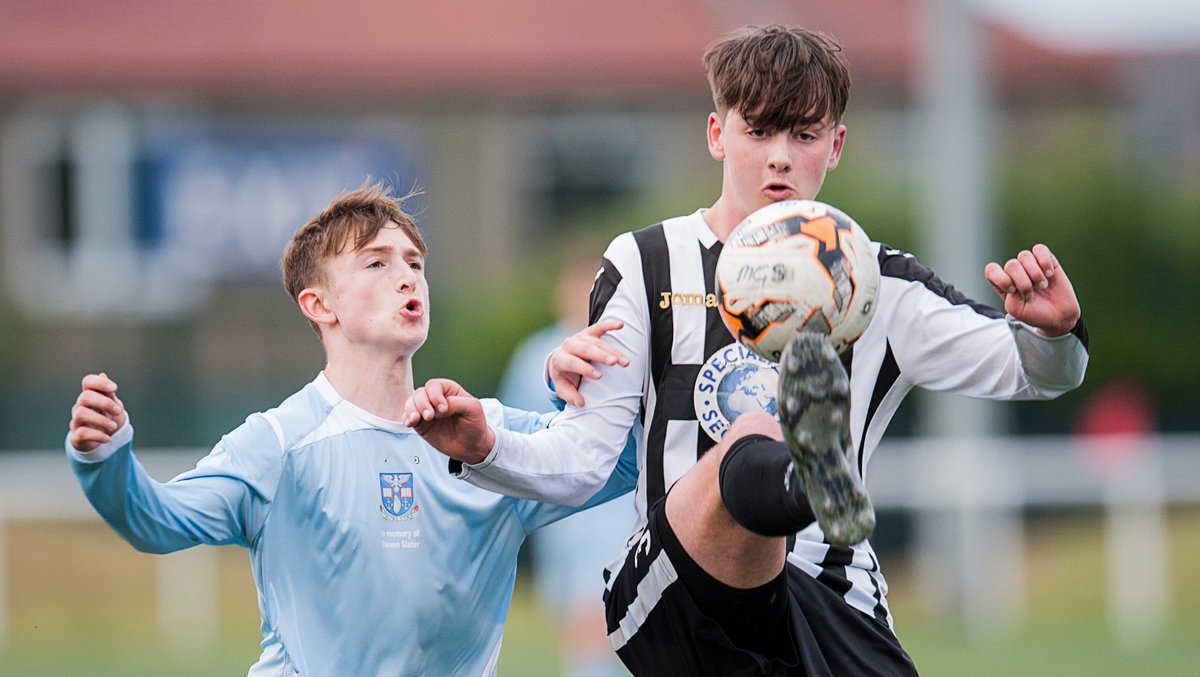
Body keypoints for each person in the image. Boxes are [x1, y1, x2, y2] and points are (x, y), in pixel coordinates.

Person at [405, 25, 1088, 676]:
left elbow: (1037, 372)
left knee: (765, 451)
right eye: (758, 130)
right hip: (675, 586)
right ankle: (804, 477)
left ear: (838, 144)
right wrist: (484, 445)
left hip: (831, 601)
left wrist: (1056, 331)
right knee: (753, 431)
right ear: (716, 133)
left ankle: (806, 480)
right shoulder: (646, 263)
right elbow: (584, 459)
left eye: (804, 133)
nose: (780, 154)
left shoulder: (883, 283)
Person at [64, 181, 636, 676]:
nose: (407, 276)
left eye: (414, 262)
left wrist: (579, 390)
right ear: (319, 305)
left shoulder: (488, 436)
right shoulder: (280, 443)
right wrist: (104, 459)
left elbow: (628, 465)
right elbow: (157, 523)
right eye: (377, 262)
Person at [497, 250, 633, 677]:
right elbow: (511, 439)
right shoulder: (535, 356)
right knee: (582, 623)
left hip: (621, 506)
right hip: (568, 518)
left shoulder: (625, 353)